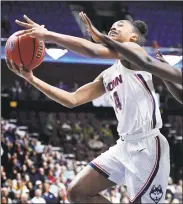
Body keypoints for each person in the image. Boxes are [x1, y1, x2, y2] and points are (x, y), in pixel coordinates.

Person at [6, 13, 182, 204]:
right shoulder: (108, 75)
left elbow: (94, 51)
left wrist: (48, 35)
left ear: (133, 37)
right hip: (124, 146)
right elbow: (72, 99)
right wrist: (32, 79)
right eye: (112, 26)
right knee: (77, 192)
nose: (114, 27)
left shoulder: (133, 51)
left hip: (148, 146)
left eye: (121, 25)